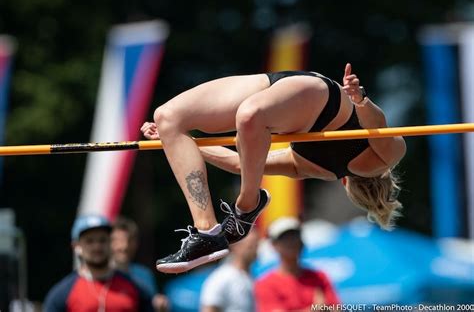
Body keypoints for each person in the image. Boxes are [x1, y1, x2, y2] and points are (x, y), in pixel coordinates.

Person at [141, 63, 406, 274]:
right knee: (247, 116)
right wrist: (361, 100)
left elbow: (240, 163)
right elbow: (378, 128)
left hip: (291, 91)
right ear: (345, 185)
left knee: (168, 119)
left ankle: (208, 231)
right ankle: (247, 206)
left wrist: (179, 142)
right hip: (308, 95)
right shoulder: (379, 161)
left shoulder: (314, 168)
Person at [43, 214, 153, 312]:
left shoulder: (136, 289)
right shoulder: (62, 294)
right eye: (90, 241)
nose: (97, 247)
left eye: (102, 240)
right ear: (76, 246)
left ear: (111, 243)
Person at [255, 217, 340, 311]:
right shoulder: (266, 285)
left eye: (294, 236)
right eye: (284, 238)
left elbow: (337, 308)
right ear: (274, 245)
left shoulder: (319, 277)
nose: (291, 242)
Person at [110, 216, 169, 312]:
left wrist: (160, 307)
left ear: (136, 243)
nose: (124, 246)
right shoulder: (100, 276)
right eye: (118, 240)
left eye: (129, 240)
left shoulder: (144, 274)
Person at [200, 227, 260, 312]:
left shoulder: (251, 277)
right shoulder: (222, 277)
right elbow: (209, 309)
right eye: (250, 247)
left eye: (256, 246)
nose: (255, 251)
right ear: (236, 246)